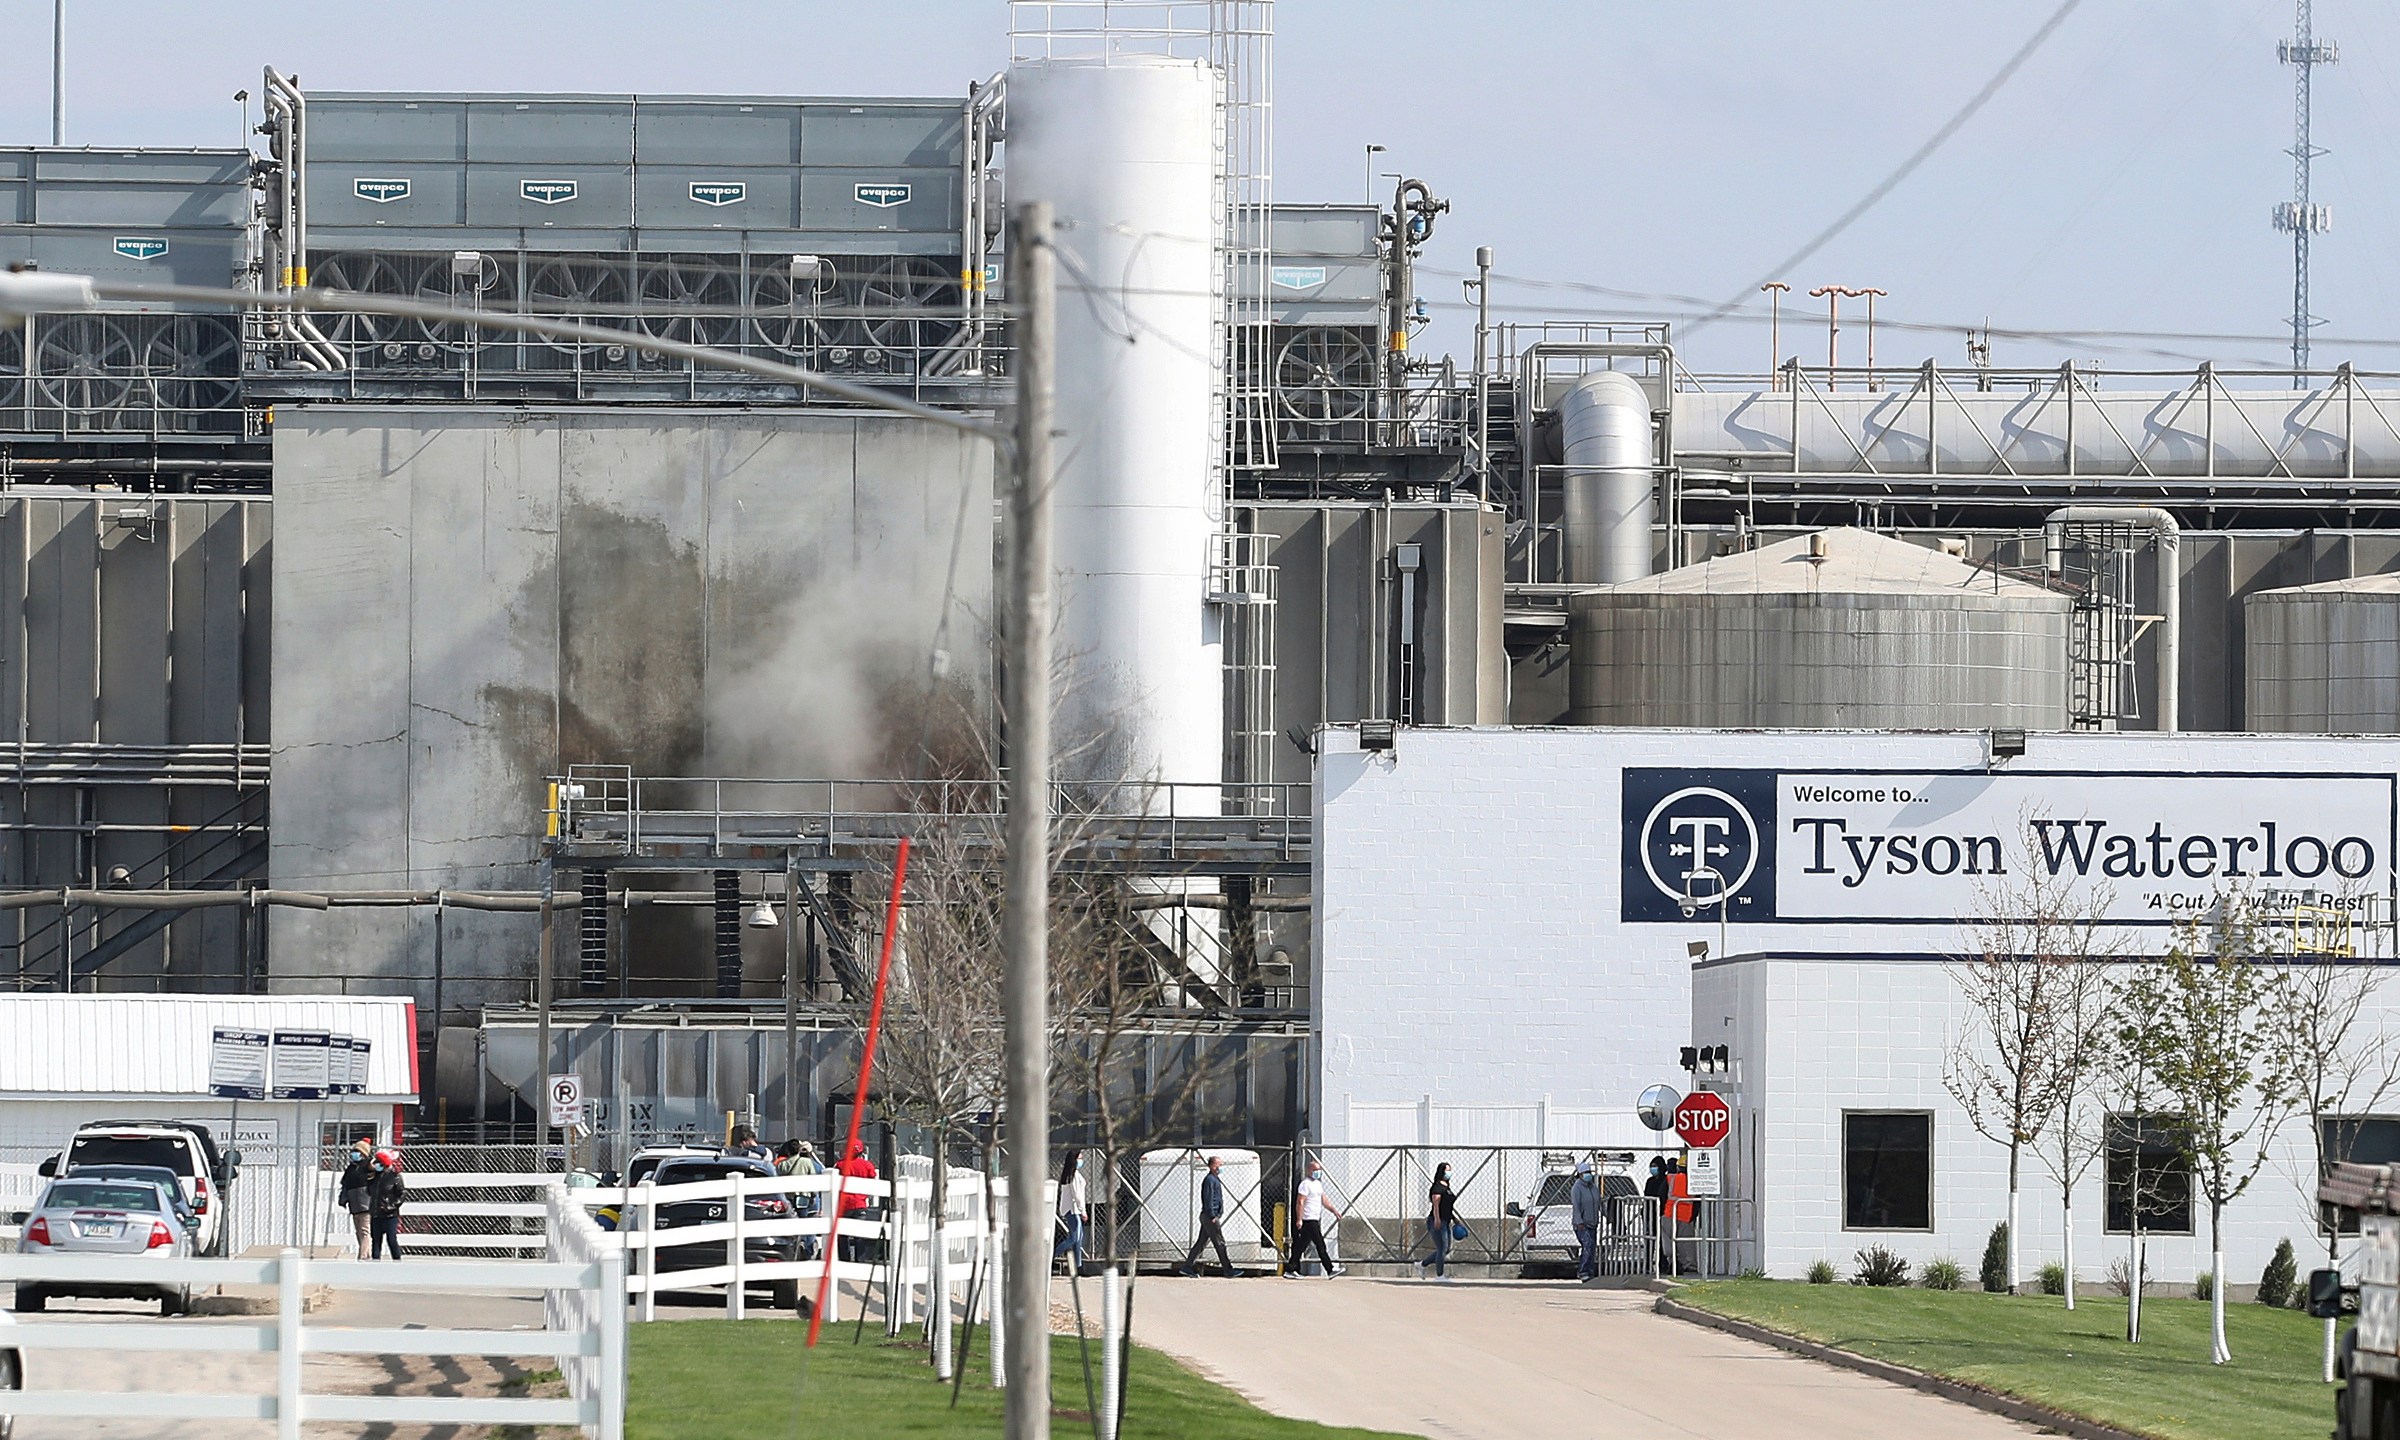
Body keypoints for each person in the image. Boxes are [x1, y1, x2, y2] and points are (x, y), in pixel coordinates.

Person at [1176, 1155, 1234, 1278]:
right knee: (1220, 1243)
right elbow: (1208, 1199)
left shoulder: (1214, 1179)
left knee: (1201, 1242)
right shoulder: (1210, 1180)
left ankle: (1187, 1266)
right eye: (1219, 1165)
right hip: (1209, 1217)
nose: (1221, 1167)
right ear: (1213, 1166)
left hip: (1209, 1216)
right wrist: (1213, 1215)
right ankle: (1228, 1269)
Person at [1285, 1158, 1343, 1277]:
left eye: (1319, 1170)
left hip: (1315, 1218)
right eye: (1316, 1169)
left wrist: (1334, 1211)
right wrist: (1299, 1219)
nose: (1318, 1172)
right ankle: (1330, 1269)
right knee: (1320, 1244)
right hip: (1309, 1218)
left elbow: (1324, 1200)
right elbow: (1300, 1202)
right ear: (1309, 1170)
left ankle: (1290, 1269)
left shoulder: (1317, 1184)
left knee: (1301, 1246)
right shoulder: (1305, 1184)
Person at [835, 1142, 878, 1265]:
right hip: (860, 1204)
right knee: (860, 1234)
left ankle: (844, 1259)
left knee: (843, 1234)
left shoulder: (840, 1165)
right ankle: (860, 1259)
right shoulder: (867, 1165)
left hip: (844, 1205)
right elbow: (873, 1180)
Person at [338, 1137, 377, 1261]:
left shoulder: (368, 1165)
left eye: (358, 1151)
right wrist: (344, 1198)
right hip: (354, 1205)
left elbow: (378, 1174)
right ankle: (367, 1254)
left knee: (365, 1231)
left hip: (366, 1204)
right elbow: (345, 1184)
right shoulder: (351, 1168)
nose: (354, 1154)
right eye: (354, 1151)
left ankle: (362, 1257)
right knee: (358, 1232)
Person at [1419, 1161, 1458, 1280]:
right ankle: (1440, 1275)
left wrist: (1455, 1219)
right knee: (1442, 1247)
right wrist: (1437, 1219)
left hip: (1447, 1220)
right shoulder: (1437, 1187)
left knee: (1446, 1249)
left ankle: (1422, 1264)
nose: (1449, 1173)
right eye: (1447, 1170)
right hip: (1437, 1220)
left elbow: (1448, 1206)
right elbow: (1436, 1204)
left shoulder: (1447, 1187)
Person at [367, 1147, 407, 1261]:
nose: (376, 1165)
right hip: (376, 1214)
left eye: (378, 1163)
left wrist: (391, 1206)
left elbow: (402, 1193)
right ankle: (375, 1262)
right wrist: (370, 1179)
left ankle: (397, 1260)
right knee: (376, 1240)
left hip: (389, 1215)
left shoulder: (394, 1176)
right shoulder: (375, 1177)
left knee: (391, 1239)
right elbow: (370, 1192)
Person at [1054, 1150, 1089, 1274]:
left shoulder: (1072, 1174)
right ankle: (1052, 1255)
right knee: (1074, 1238)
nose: (1081, 1160)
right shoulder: (1073, 1175)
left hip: (1074, 1210)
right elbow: (1077, 1195)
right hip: (1072, 1210)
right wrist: (1083, 1211)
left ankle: (1079, 1266)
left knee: (1078, 1239)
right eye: (1080, 1158)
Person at [1571, 1159, 1602, 1281]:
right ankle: (1583, 1271)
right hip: (1582, 1224)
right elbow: (1576, 1206)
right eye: (1586, 1172)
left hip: (1593, 1222)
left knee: (1592, 1248)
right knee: (1587, 1245)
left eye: (1589, 1172)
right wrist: (1579, 1222)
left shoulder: (1594, 1187)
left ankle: (1590, 1271)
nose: (1589, 1175)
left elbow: (1598, 1202)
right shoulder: (1577, 1188)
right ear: (1580, 1174)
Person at [1643, 1157, 1674, 1275]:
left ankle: (1663, 1264)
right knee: (1650, 1240)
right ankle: (1647, 1264)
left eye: (1655, 1166)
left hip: (1661, 1214)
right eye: (1652, 1166)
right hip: (1650, 1214)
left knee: (1663, 1241)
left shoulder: (1665, 1180)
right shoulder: (1650, 1181)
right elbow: (1646, 1196)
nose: (1653, 1168)